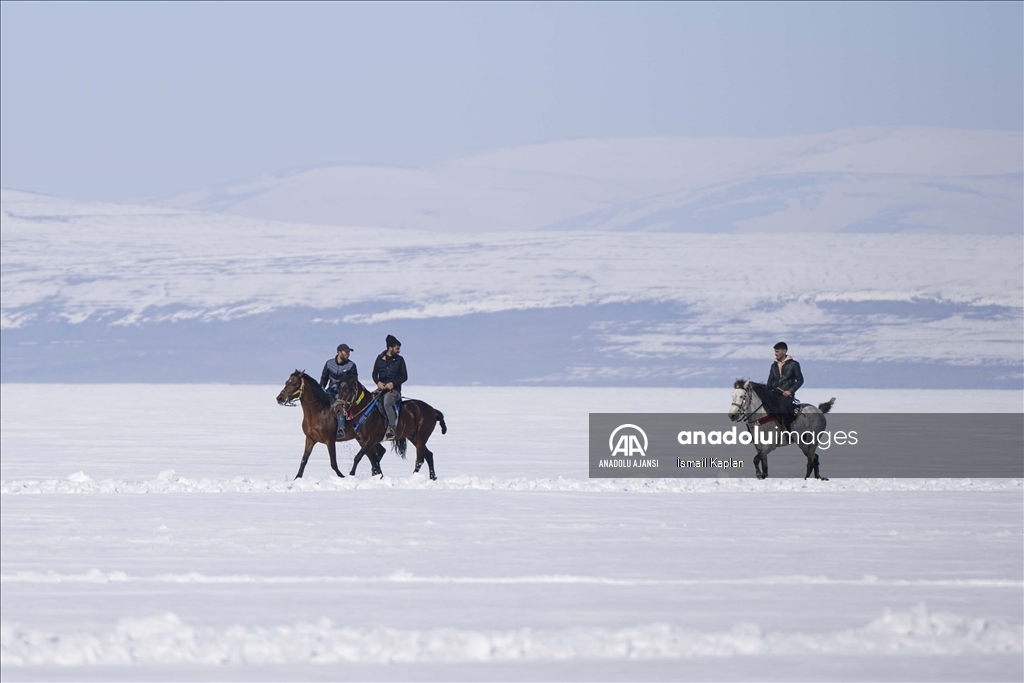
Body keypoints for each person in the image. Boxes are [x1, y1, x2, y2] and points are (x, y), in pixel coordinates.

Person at [372, 334, 408, 441]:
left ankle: (392, 428)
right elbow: (374, 373)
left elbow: (404, 376)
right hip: (381, 389)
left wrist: (393, 383)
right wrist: (378, 382)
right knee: (369, 401)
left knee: (387, 403)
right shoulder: (379, 359)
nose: (399, 351)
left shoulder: (400, 360)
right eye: (397, 348)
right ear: (390, 348)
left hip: (394, 391)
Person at [321, 343, 358, 438]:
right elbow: (324, 378)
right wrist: (321, 389)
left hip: (343, 393)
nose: (348, 354)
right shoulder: (329, 363)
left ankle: (341, 428)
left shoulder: (351, 365)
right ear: (339, 352)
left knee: (339, 405)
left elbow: (354, 382)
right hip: (330, 390)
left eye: (349, 352)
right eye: (346, 352)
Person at [766, 341, 803, 430]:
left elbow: (800, 380)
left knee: (783, 409)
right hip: (774, 394)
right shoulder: (773, 365)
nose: (775, 354)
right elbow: (770, 381)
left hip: (786, 395)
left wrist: (790, 391)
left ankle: (787, 431)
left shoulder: (794, 364)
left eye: (777, 351)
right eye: (775, 351)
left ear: (784, 351)